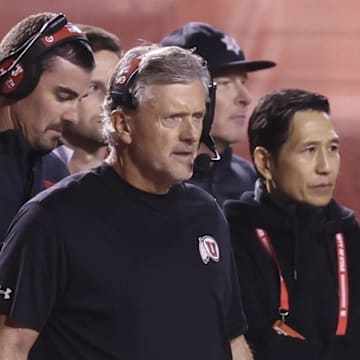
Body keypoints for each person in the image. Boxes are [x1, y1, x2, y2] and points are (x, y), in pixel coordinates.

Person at [0, 44, 253, 360]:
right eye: (173, 118)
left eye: (197, 116)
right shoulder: (51, 220)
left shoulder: (207, 214)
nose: (191, 134)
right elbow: (8, 347)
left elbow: (233, 341)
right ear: (123, 125)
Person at [224, 88, 360, 359]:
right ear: (265, 162)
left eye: (332, 148)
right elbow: (255, 339)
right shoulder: (233, 235)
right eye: (309, 150)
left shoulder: (349, 235)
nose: (326, 166)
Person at [0, 12, 94, 244]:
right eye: (63, 96)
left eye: (79, 100)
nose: (73, 117)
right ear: (17, 80)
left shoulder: (57, 173)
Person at [160, 21, 276, 206]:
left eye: (243, 83)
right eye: (225, 83)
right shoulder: (150, 180)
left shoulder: (256, 184)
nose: (245, 98)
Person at [54, 24, 122, 173]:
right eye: (93, 87)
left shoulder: (146, 171)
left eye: (115, 87)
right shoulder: (26, 170)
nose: (109, 100)